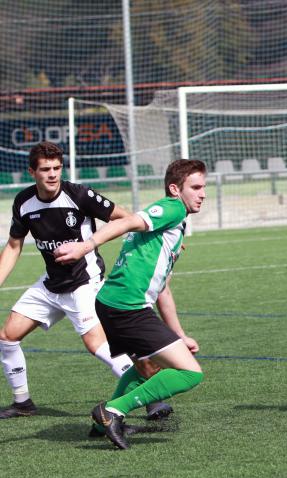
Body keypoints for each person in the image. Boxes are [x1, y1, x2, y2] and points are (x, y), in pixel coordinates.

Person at [0, 141, 171, 421]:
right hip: (52, 284)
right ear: (32, 171)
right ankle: (22, 403)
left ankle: (153, 396)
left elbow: (127, 217)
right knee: (7, 336)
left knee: (98, 346)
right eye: (45, 169)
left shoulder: (79, 195)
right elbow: (13, 246)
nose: (53, 174)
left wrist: (159, 235)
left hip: (84, 282)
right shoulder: (23, 202)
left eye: (57, 168)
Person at [54, 159, 206, 449]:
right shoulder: (172, 208)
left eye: (203, 188)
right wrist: (85, 246)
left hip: (114, 303)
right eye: (196, 187)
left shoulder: (172, 229)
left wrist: (180, 335)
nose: (202, 194)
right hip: (126, 306)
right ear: (175, 189)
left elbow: (163, 291)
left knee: (145, 365)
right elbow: (126, 221)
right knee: (190, 373)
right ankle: (113, 412)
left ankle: (105, 418)